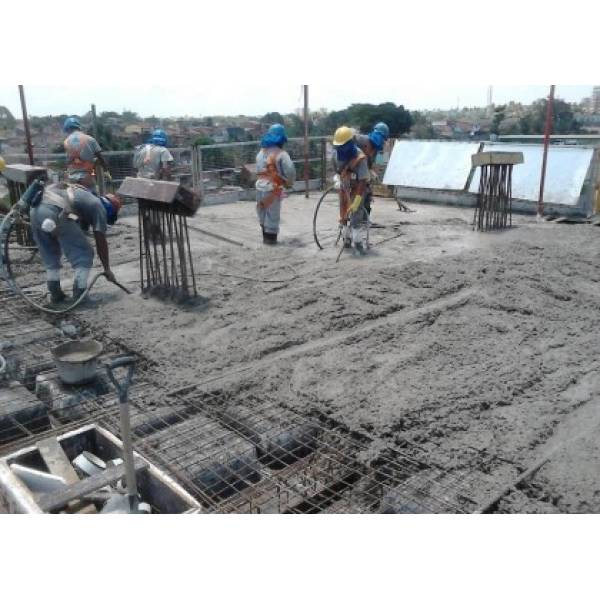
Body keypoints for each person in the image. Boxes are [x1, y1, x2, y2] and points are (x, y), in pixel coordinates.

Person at [19, 179, 121, 303]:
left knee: (50, 252)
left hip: (35, 211)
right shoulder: (98, 206)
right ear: (110, 209)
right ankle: (80, 295)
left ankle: (55, 293)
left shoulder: (81, 194)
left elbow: (78, 225)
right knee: (84, 252)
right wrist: (107, 269)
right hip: (55, 211)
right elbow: (100, 240)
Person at [332, 126, 370, 256]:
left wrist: (357, 200)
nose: (340, 149)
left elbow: (363, 181)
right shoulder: (336, 155)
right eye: (338, 146)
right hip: (344, 187)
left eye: (343, 146)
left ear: (350, 143)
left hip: (357, 189)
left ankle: (358, 243)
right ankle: (345, 239)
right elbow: (337, 171)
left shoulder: (360, 158)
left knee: (356, 215)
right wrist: (337, 179)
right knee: (343, 213)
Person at [255, 123, 296, 245]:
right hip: (272, 189)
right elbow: (290, 171)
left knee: (262, 211)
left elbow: (258, 169)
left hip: (259, 187)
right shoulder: (282, 154)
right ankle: (270, 242)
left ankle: (264, 239)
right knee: (272, 216)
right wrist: (289, 183)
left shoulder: (261, 153)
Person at [63, 116, 108, 191]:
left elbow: (69, 161)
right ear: (79, 127)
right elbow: (100, 157)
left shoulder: (66, 141)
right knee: (93, 200)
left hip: (72, 179)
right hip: (87, 177)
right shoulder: (90, 139)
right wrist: (106, 170)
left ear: (67, 129)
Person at [354, 121, 389, 217]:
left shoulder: (378, 149)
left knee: (366, 194)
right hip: (355, 171)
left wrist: (372, 172)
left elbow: (375, 163)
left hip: (363, 173)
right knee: (359, 196)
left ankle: (365, 219)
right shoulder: (362, 140)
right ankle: (357, 222)